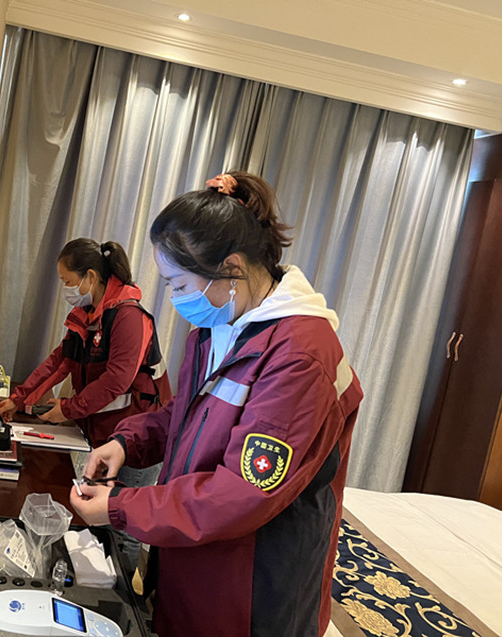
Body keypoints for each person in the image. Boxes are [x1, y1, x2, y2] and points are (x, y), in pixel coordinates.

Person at [69, 172, 364, 637]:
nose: (174, 299)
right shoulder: (217, 325)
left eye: (179, 284)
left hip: (253, 578)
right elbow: (185, 413)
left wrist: (122, 507)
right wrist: (126, 443)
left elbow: (242, 493)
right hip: (194, 542)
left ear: (231, 269)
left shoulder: (301, 354)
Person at [0, 238, 172, 564]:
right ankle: (98, 578)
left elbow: (117, 380)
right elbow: (60, 361)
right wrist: (18, 399)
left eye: (68, 281)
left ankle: (120, 589)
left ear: (90, 276)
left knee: (123, 526)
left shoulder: (129, 317)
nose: (66, 289)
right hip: (105, 432)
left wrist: (68, 409)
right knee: (99, 515)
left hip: (139, 437)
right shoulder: (87, 315)